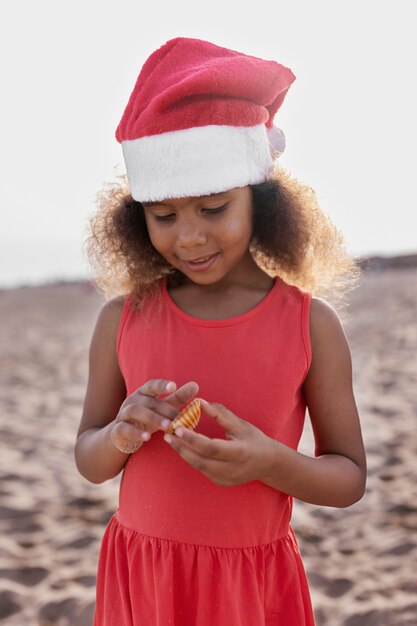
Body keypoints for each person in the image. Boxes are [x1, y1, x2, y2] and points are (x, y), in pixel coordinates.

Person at [75, 37, 366, 626]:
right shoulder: (121, 319)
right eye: (164, 216)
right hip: (144, 577)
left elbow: (348, 477)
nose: (189, 238)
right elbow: (89, 457)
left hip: (248, 588)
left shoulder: (311, 324)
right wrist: (122, 434)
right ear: (138, 219)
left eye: (214, 209)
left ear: (261, 201)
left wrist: (269, 463)